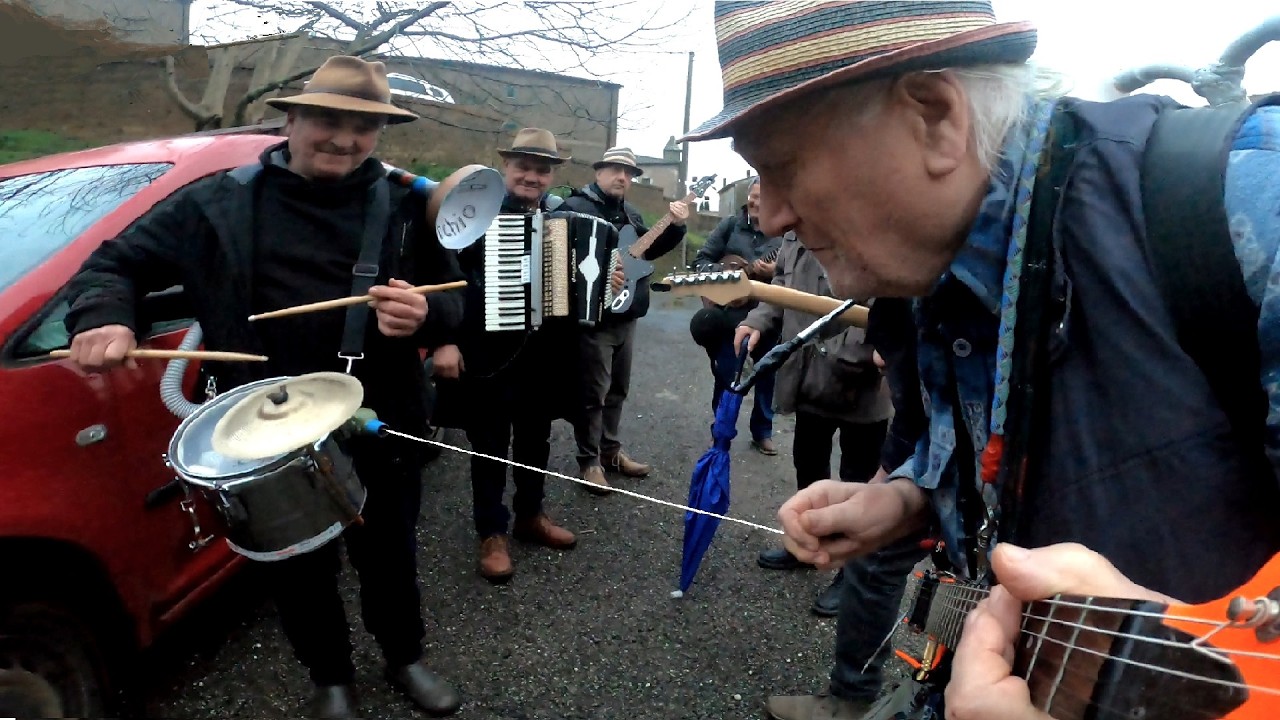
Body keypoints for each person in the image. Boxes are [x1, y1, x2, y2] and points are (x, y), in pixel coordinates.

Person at [682, 2, 1280, 718]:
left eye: (780, 167)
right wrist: (906, 500)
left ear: (936, 117)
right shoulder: (929, 263)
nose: (771, 215)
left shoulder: (1250, 201)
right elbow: (1000, 450)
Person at [61, 56, 466, 718]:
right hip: (261, 420)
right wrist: (104, 316)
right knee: (297, 565)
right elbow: (112, 265)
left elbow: (458, 302)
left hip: (378, 412)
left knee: (389, 551)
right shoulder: (214, 201)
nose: (344, 139)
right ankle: (330, 676)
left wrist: (428, 314)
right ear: (292, 118)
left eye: (363, 128)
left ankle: (404, 656)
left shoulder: (407, 206)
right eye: (327, 121)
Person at [431, 128, 601, 583]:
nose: (532, 176)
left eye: (541, 169)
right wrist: (445, 337)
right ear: (505, 168)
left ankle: (530, 515)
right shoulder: (473, 214)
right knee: (489, 443)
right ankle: (492, 533)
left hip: (545, 353)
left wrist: (604, 285)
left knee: (535, 439)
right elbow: (444, 275)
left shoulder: (562, 218)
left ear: (551, 176)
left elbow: (585, 283)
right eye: (523, 166)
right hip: (488, 351)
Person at [734, 231, 893, 616]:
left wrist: (859, 349)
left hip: (862, 381)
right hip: (807, 375)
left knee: (860, 481)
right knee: (808, 465)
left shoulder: (871, 226)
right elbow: (783, 287)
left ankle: (853, 572)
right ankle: (809, 546)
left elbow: (890, 298)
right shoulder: (796, 234)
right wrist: (757, 320)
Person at [561, 147, 690, 493]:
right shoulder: (575, 208)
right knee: (593, 392)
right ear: (599, 171)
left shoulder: (631, 215)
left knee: (618, 389)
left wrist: (676, 226)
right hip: (592, 318)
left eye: (629, 173)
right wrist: (599, 276)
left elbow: (648, 250)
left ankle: (611, 452)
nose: (623, 177)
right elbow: (557, 260)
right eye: (616, 170)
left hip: (626, 314)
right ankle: (588, 460)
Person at [689, 178, 783, 455]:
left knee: (767, 373)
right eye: (753, 196)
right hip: (730, 314)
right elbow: (701, 261)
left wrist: (773, 272)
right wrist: (730, 275)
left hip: (768, 313)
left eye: (763, 198)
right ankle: (721, 432)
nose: (756, 203)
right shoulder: (730, 225)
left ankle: (762, 432)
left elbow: (791, 273)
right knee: (728, 375)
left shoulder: (783, 233)